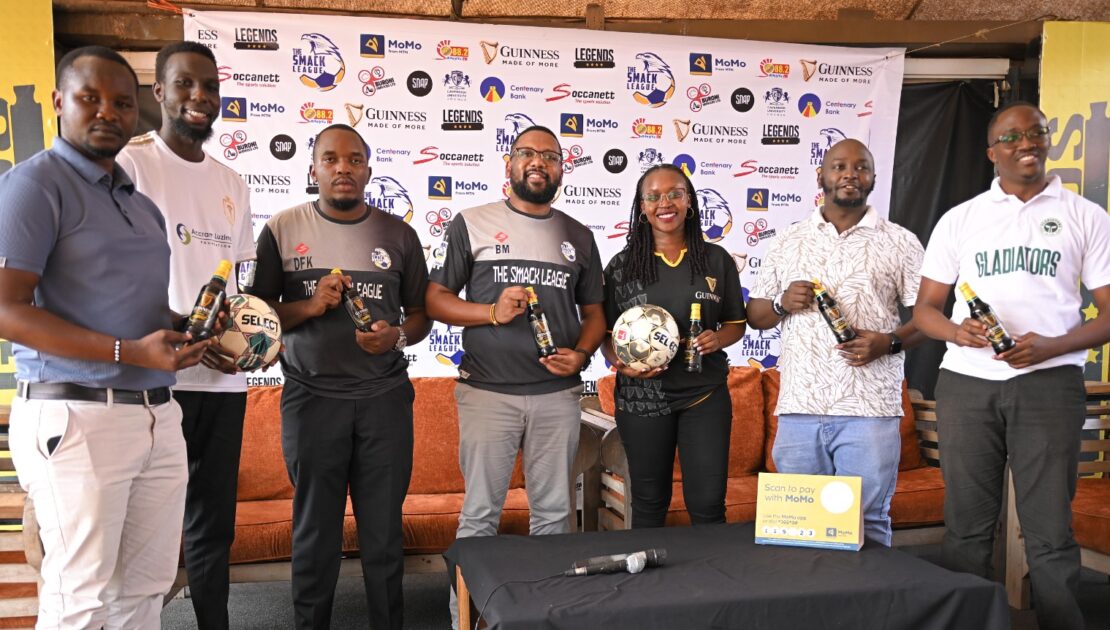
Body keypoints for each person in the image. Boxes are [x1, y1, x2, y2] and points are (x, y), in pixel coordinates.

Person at [0, 46, 212, 629]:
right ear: (58, 101)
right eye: (90, 98)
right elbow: (5, 309)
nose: (107, 113)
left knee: (145, 591)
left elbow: (132, 309)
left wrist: (186, 329)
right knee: (81, 598)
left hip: (156, 415)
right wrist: (127, 352)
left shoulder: (140, 205)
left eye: (122, 103)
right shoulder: (33, 186)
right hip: (78, 416)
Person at [913, 101, 1110, 630]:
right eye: (1012, 136)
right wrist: (957, 331)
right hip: (968, 385)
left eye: (1037, 133)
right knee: (967, 529)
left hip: (1049, 386)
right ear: (991, 152)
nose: (1027, 143)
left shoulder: (1085, 216)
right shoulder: (962, 218)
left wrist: (1052, 346)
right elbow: (925, 310)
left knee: (1050, 532)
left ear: (1047, 141)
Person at [251, 123, 430, 630]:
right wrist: (310, 305)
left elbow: (421, 316)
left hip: (383, 399)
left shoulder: (399, 234)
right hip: (311, 399)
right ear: (313, 170)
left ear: (369, 170)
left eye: (354, 160)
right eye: (330, 159)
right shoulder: (282, 228)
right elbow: (255, 317)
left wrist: (395, 336)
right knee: (314, 534)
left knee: (383, 534)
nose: (342, 168)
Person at [425, 125, 605, 625]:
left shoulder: (578, 234)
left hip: (557, 395)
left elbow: (595, 313)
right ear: (509, 163)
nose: (538, 162)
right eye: (527, 153)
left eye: (550, 155)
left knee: (554, 514)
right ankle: (466, 617)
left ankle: (546, 615)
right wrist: (490, 312)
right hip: (488, 393)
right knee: (480, 514)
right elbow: (435, 300)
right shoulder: (472, 222)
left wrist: (582, 354)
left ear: (562, 168)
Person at [113, 41, 256, 630]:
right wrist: (174, 328)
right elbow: (111, 275)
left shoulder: (232, 182)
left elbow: (236, 284)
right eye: (185, 84)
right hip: (151, 379)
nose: (200, 96)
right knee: (142, 524)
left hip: (221, 382)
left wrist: (236, 338)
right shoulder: (130, 164)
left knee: (212, 525)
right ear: (159, 92)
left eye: (210, 86)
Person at [747, 138, 924, 546]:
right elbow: (756, 315)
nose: (850, 174)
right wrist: (782, 302)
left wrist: (888, 342)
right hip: (800, 408)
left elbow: (929, 318)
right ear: (821, 176)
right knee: (798, 531)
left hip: (870, 409)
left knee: (868, 523)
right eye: (839, 166)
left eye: (861, 167)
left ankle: (869, 593)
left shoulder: (900, 241)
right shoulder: (788, 239)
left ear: (873, 178)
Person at [600, 164, 746, 528]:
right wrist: (622, 364)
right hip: (643, 398)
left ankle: (707, 566)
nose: (664, 203)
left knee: (708, 505)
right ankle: (646, 569)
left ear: (689, 201)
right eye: (653, 196)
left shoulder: (716, 260)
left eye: (675, 194)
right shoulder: (621, 266)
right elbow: (604, 334)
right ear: (642, 207)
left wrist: (717, 338)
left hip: (703, 395)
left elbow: (736, 324)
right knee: (649, 503)